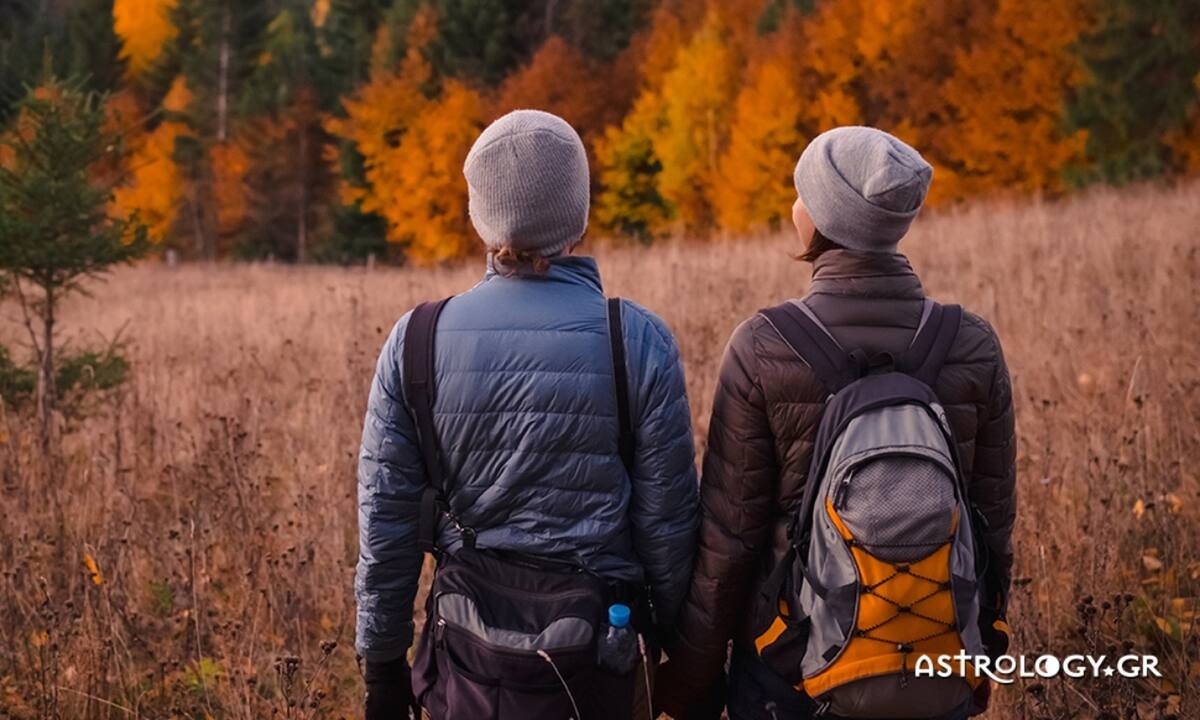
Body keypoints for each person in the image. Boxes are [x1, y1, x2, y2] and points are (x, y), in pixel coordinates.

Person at [655, 126, 1017, 719]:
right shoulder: (972, 343)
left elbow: (729, 541)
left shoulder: (764, 346)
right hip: (936, 666)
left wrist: (691, 679)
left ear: (824, 217)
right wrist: (982, 651)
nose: (794, 205)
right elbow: (992, 527)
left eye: (803, 194)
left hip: (791, 672)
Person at [355, 109, 700, 720]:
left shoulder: (415, 341)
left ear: (479, 215)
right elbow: (667, 525)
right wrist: (683, 649)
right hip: (602, 664)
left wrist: (383, 666)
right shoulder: (637, 339)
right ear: (579, 211)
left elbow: (387, 527)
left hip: (468, 664)